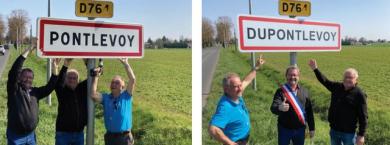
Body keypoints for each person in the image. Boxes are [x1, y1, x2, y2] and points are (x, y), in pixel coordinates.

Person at [6, 47, 60, 145]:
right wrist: (28, 50)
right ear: (19, 78)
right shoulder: (14, 90)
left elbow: (49, 88)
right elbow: (14, 72)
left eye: (30, 77)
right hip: (16, 138)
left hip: (31, 136)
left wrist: (55, 70)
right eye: (25, 76)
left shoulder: (35, 92)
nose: (28, 79)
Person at [208, 55, 265, 145]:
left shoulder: (235, 94)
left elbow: (247, 80)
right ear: (226, 89)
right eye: (236, 86)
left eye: (240, 85)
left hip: (244, 139)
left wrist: (256, 67)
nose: (240, 88)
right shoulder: (225, 106)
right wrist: (230, 143)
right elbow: (213, 129)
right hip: (237, 142)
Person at [308, 59, 367, 145]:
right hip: (334, 131)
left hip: (349, 134)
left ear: (356, 80)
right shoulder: (337, 87)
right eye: (345, 77)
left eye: (350, 77)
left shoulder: (359, 94)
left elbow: (363, 116)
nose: (347, 79)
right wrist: (315, 69)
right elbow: (325, 81)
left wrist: (361, 135)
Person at [91, 58, 136, 145]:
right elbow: (93, 95)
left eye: (117, 82)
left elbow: (132, 79)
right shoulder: (106, 98)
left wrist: (126, 64)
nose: (114, 84)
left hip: (124, 138)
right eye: (112, 82)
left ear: (122, 86)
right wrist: (96, 77)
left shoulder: (126, 96)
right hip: (110, 138)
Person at [270, 66, 315, 145]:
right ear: (286, 76)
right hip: (284, 129)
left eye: (295, 75)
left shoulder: (305, 91)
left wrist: (312, 128)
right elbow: (273, 107)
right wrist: (280, 107)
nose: (292, 77)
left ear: (298, 77)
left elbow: (309, 111)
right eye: (290, 75)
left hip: (300, 130)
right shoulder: (281, 91)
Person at [54, 58, 88, 145]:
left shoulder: (81, 88)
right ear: (65, 79)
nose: (72, 80)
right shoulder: (62, 90)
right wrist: (65, 65)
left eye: (74, 78)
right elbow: (58, 82)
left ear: (78, 80)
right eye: (69, 78)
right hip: (63, 134)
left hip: (79, 134)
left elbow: (94, 77)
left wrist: (88, 64)